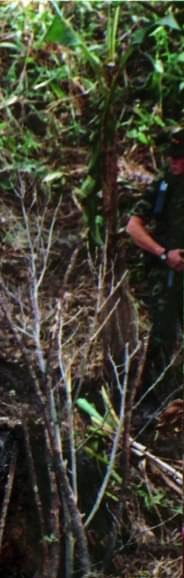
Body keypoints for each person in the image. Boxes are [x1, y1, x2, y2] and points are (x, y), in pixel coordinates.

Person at [125, 129, 184, 405]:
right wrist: (163, 254)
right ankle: (151, 403)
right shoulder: (165, 184)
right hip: (167, 274)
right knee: (162, 335)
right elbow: (133, 226)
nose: (174, 163)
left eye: (179, 158)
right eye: (171, 157)